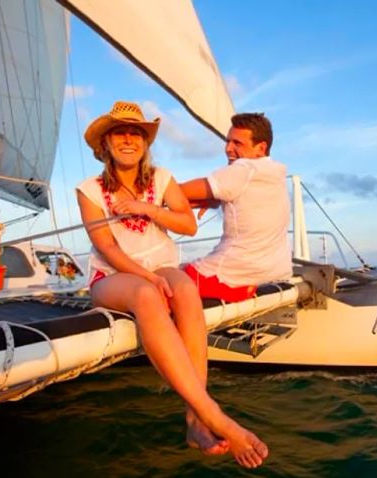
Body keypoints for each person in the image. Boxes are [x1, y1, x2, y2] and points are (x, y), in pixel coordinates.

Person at [76, 101, 268, 468]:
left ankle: (195, 419)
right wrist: (146, 276)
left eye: (136, 133)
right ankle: (210, 412)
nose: (129, 139)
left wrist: (148, 210)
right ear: (106, 143)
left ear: (146, 142)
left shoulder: (161, 179)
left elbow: (187, 224)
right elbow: (108, 248)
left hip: (160, 266)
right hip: (112, 277)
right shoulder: (90, 190)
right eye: (120, 132)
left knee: (184, 289)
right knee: (148, 294)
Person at [180, 113, 292, 302]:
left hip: (230, 278)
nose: (228, 149)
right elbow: (244, 198)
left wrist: (140, 197)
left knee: (165, 280)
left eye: (237, 143)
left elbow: (174, 191)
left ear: (261, 148)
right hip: (274, 271)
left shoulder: (243, 169)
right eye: (228, 141)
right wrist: (214, 199)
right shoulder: (274, 173)